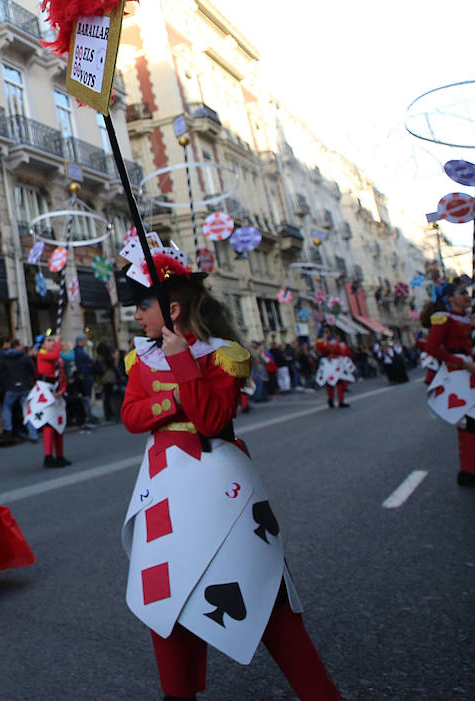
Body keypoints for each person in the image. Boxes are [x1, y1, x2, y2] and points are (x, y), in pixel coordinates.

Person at [120, 251, 341, 701]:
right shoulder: (140, 361)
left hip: (224, 489)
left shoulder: (223, 357)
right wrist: (175, 401)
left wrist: (183, 367)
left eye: (144, 305)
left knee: (265, 592)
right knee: (166, 597)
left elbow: (211, 420)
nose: (136, 314)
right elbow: (131, 416)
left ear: (173, 310)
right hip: (162, 490)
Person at [419, 279, 475, 487]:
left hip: (470, 371)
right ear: (450, 298)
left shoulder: (468, 318)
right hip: (458, 374)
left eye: (468, 292)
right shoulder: (443, 319)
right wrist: (462, 363)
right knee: (470, 423)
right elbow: (432, 348)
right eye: (462, 293)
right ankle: (468, 472)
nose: (467, 296)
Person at [27, 336, 70, 468]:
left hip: (54, 390)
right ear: (43, 345)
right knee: (49, 423)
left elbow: (62, 375)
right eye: (49, 341)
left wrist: (62, 390)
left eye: (52, 340)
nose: (52, 343)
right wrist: (57, 342)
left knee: (59, 423)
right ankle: (48, 456)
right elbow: (55, 354)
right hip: (44, 390)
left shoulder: (58, 360)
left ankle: (60, 455)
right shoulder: (42, 354)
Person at [0, 338, 35, 444]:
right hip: (25, 385)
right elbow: (32, 369)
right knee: (27, 409)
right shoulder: (24, 357)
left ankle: (8, 428)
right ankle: (33, 433)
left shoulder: (5, 358)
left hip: (11, 386)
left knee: (7, 407)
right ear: (17, 346)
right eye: (21, 345)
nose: (22, 347)